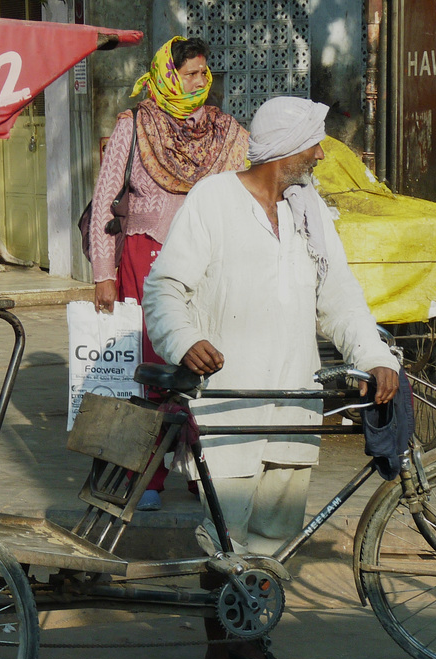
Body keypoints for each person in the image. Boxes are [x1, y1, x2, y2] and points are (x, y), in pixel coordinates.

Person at [142, 96, 401, 659]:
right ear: (285, 150)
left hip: (293, 396)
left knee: (273, 536)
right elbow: (165, 289)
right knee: (224, 539)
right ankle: (215, 657)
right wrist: (186, 341)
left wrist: (376, 356)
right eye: (313, 144)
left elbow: (340, 297)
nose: (318, 155)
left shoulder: (309, 209)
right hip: (228, 401)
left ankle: (251, 647)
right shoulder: (212, 200)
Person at [88, 36, 249, 511]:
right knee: (158, 368)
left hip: (208, 260)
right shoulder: (135, 125)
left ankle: (206, 470)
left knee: (208, 363)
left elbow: (246, 187)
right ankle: (152, 476)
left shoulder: (225, 131)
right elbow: (105, 197)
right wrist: (103, 270)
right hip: (147, 257)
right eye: (191, 73)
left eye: (204, 72)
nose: (201, 81)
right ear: (167, 74)